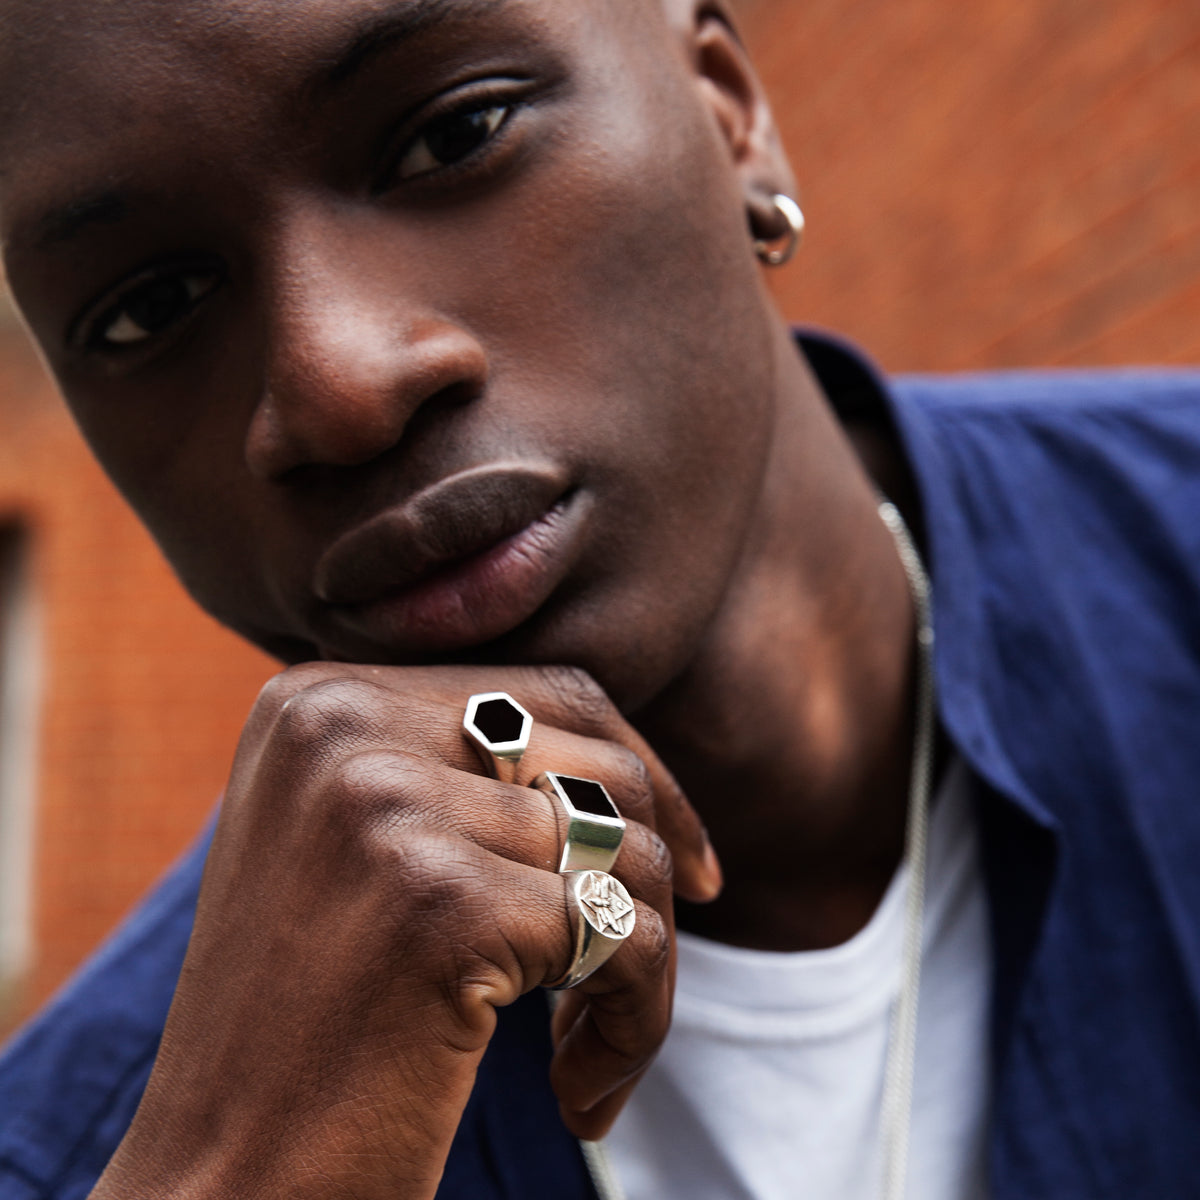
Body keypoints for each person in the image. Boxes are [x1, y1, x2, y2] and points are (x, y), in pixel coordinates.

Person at [2, 0, 1200, 1197]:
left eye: (454, 135)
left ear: (730, 108)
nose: (339, 387)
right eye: (145, 310)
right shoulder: (83, 1161)